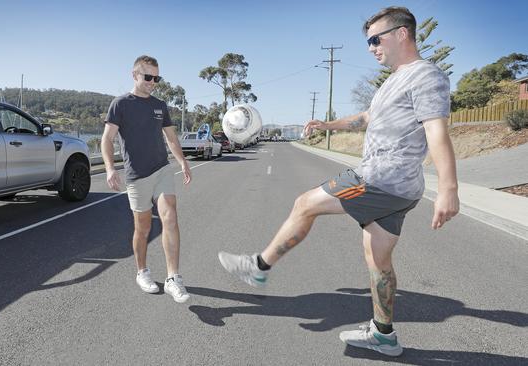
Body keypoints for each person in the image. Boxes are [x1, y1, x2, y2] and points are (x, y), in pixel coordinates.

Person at [218, 6, 459, 356]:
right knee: (378, 259)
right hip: (400, 189)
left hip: (378, 180)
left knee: (305, 204)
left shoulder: (425, 76)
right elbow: (364, 117)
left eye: (376, 39)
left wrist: (449, 190)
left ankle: (258, 267)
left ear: (402, 33)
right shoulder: (394, 79)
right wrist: (326, 125)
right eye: (368, 42)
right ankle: (384, 335)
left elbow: (437, 131)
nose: (371, 48)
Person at [102, 55, 192, 303]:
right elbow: (107, 139)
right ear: (134, 75)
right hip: (136, 175)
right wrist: (110, 168)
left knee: (170, 215)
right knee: (143, 228)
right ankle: (142, 272)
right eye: (148, 77)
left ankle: (174, 278)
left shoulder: (160, 105)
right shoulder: (120, 104)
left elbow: (171, 138)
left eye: (157, 77)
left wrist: (183, 161)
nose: (153, 82)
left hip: (162, 169)